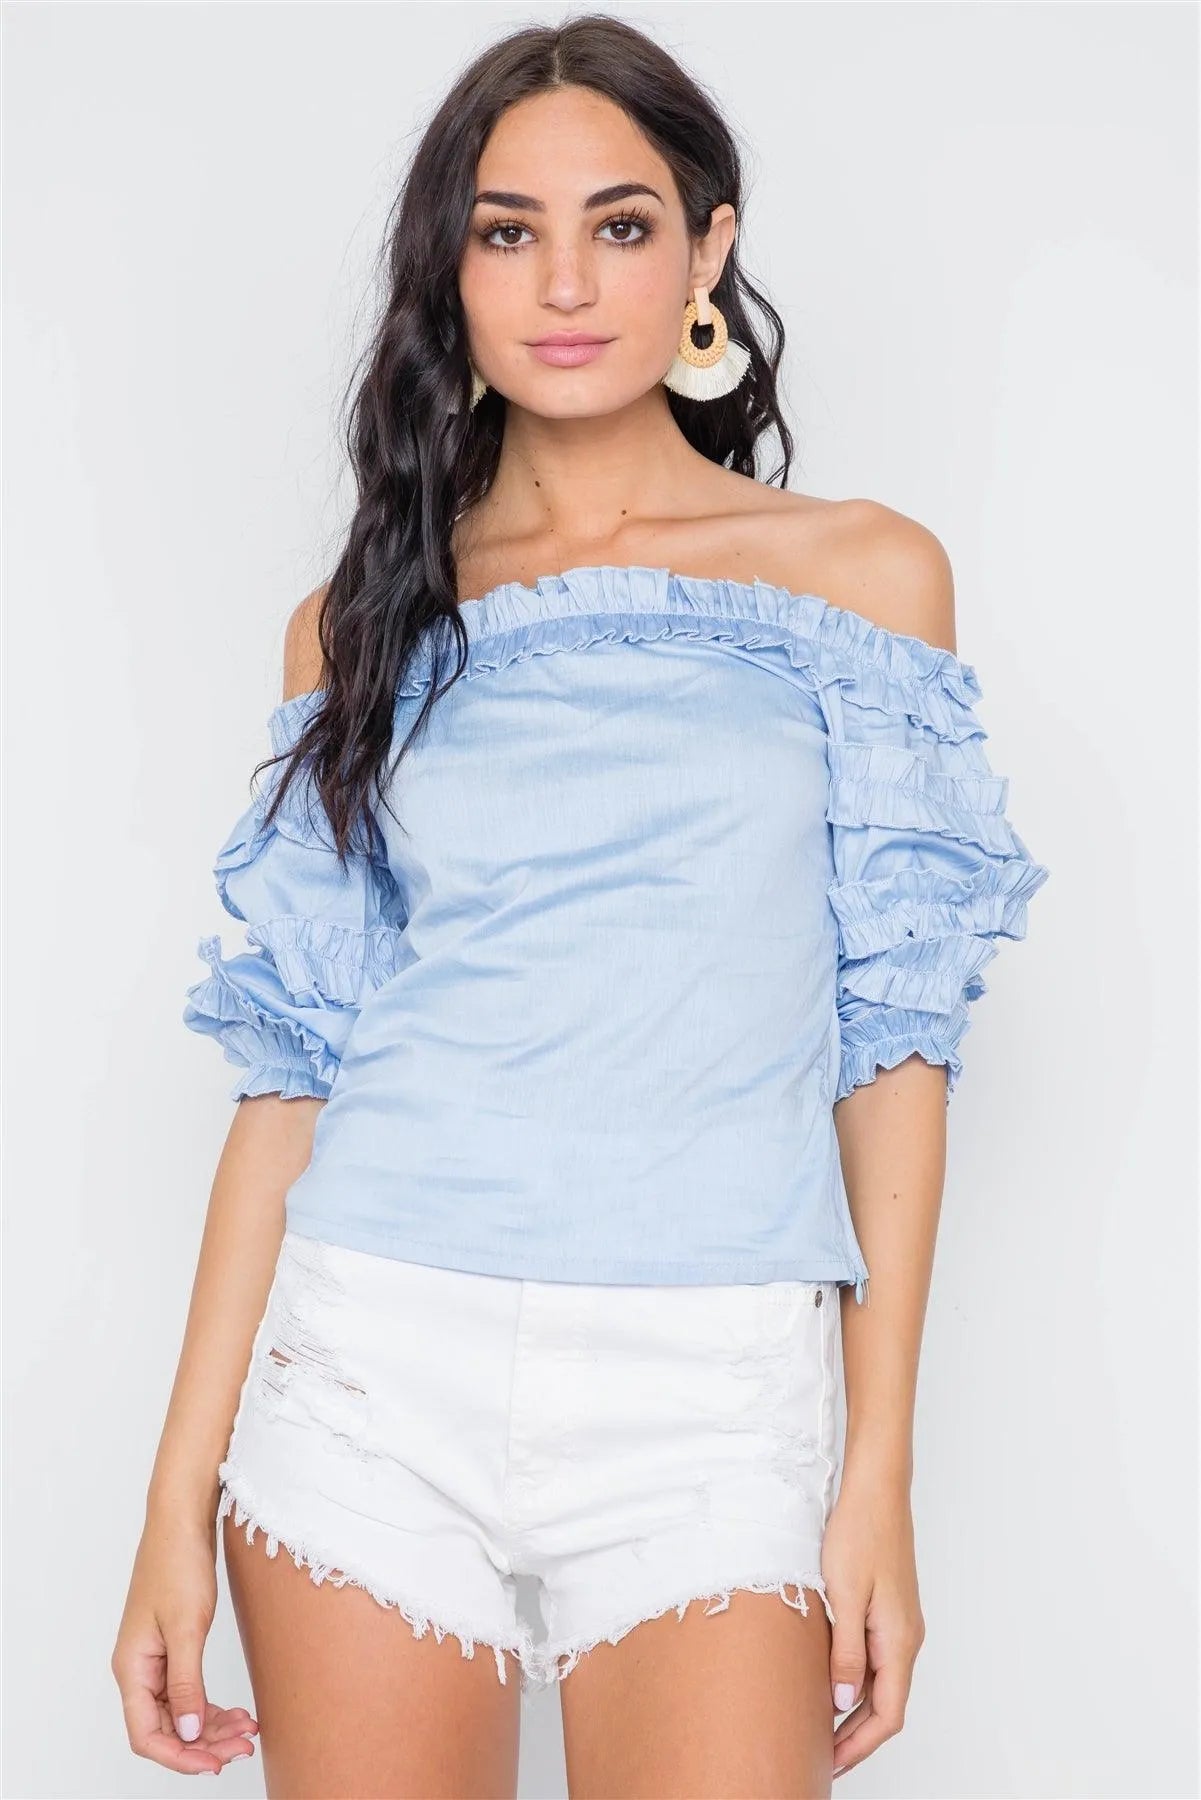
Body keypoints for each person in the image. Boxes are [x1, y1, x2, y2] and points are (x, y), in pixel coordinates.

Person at [110, 15, 1050, 1796]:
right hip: (370, 1361)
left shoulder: (859, 578)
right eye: (505, 229)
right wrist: (172, 1501)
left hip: (713, 1384)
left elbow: (895, 1048)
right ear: (447, 270)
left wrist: (877, 1474)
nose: (563, 282)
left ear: (705, 250)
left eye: (620, 225)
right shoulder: (359, 625)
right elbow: (292, 1074)